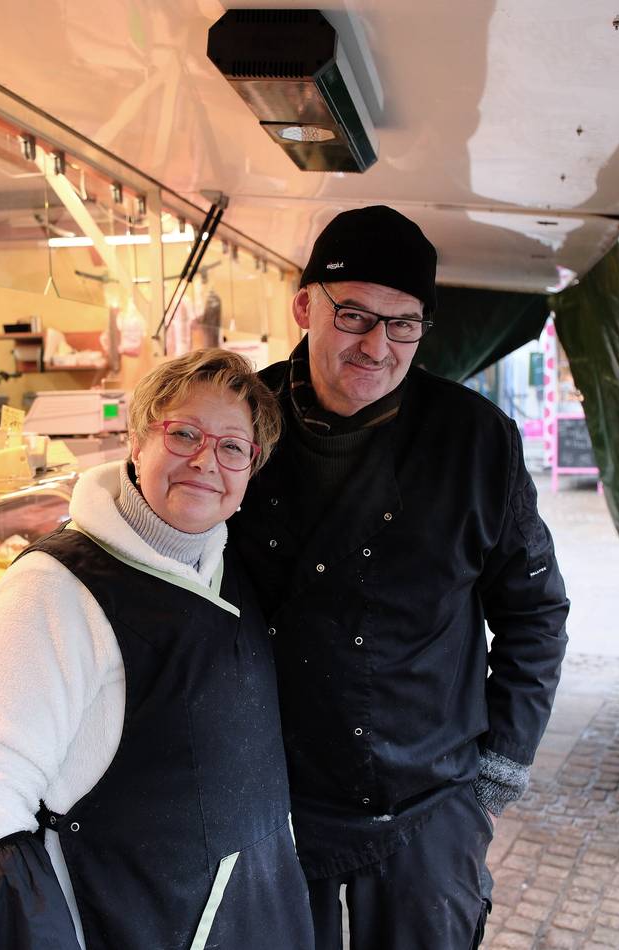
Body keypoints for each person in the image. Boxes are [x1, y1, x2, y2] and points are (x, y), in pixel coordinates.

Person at [230, 205, 570, 950]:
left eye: (404, 323)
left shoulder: (478, 442)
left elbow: (534, 612)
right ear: (303, 307)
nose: (377, 345)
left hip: (430, 800)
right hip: (273, 795)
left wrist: (501, 765)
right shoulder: (237, 422)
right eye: (352, 315)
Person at [0, 348, 315, 950]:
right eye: (184, 433)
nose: (205, 461)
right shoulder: (55, 586)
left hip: (259, 914)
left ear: (251, 468)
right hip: (134, 922)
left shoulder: (228, 565)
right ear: (138, 440)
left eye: (231, 448)